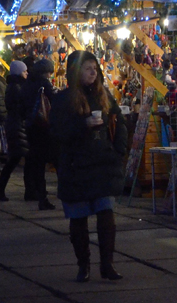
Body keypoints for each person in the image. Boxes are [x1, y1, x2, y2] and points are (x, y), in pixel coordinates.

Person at [51, 51, 128, 282]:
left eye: (94, 67)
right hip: (76, 166)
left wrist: (118, 150)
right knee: (79, 219)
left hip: (102, 164)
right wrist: (83, 124)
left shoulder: (104, 96)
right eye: (87, 68)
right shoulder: (64, 99)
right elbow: (56, 132)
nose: (93, 72)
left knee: (106, 215)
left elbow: (119, 122)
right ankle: (83, 265)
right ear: (76, 72)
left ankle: (108, 264)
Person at [22, 59, 56, 210]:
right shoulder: (44, 83)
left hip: (30, 125)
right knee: (48, 160)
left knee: (35, 162)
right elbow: (55, 98)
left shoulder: (28, 83)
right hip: (42, 127)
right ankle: (42, 196)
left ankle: (34, 191)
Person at [0, 61, 29, 202]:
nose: (27, 74)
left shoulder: (13, 86)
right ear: (19, 73)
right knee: (16, 158)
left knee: (15, 158)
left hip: (15, 125)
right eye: (25, 71)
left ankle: (0, 188)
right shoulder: (17, 88)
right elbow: (21, 107)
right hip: (17, 125)